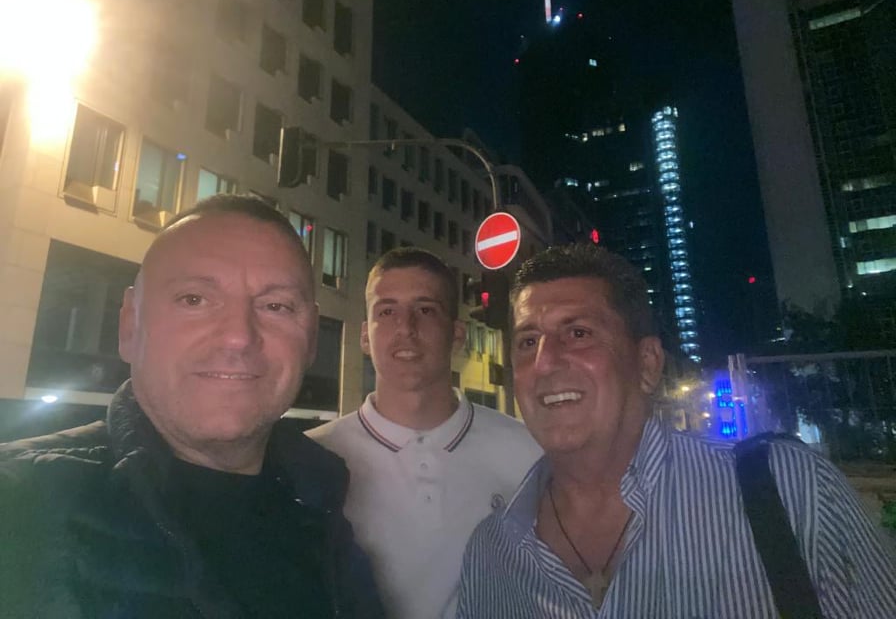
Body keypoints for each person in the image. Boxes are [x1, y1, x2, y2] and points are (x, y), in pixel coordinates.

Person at [457, 243, 896, 618]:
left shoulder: (792, 490)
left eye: (578, 333)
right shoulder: (489, 552)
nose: (545, 363)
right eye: (528, 341)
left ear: (648, 364)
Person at [0, 195, 383, 619]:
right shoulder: (16, 503)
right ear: (130, 326)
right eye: (194, 300)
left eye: (276, 306)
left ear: (310, 341)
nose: (238, 336)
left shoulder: (328, 519)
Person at [307, 247, 542, 619]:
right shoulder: (313, 458)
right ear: (365, 336)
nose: (406, 328)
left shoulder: (528, 452)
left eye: (426, 310)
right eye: (387, 311)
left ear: (457, 334)